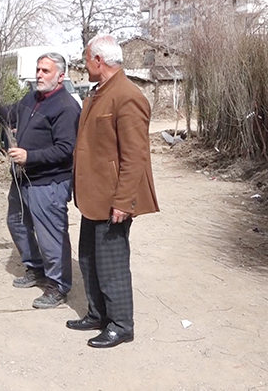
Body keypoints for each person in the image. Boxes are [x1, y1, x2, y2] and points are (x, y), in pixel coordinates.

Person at [66, 34, 159, 347]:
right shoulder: (99, 93)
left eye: (86, 59)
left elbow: (135, 156)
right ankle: (98, 314)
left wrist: (123, 201)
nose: (85, 65)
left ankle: (121, 324)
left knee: (112, 265)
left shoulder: (127, 95)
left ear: (98, 60)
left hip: (112, 199)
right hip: (93, 197)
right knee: (89, 258)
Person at [0, 53, 81, 309]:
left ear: (60, 76)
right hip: (24, 178)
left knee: (51, 235)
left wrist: (30, 156)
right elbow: (14, 114)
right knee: (17, 223)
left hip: (49, 182)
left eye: (45, 71)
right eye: (38, 69)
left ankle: (58, 286)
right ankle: (35, 268)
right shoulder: (33, 98)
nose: (39, 75)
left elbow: (66, 149)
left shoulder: (66, 107)